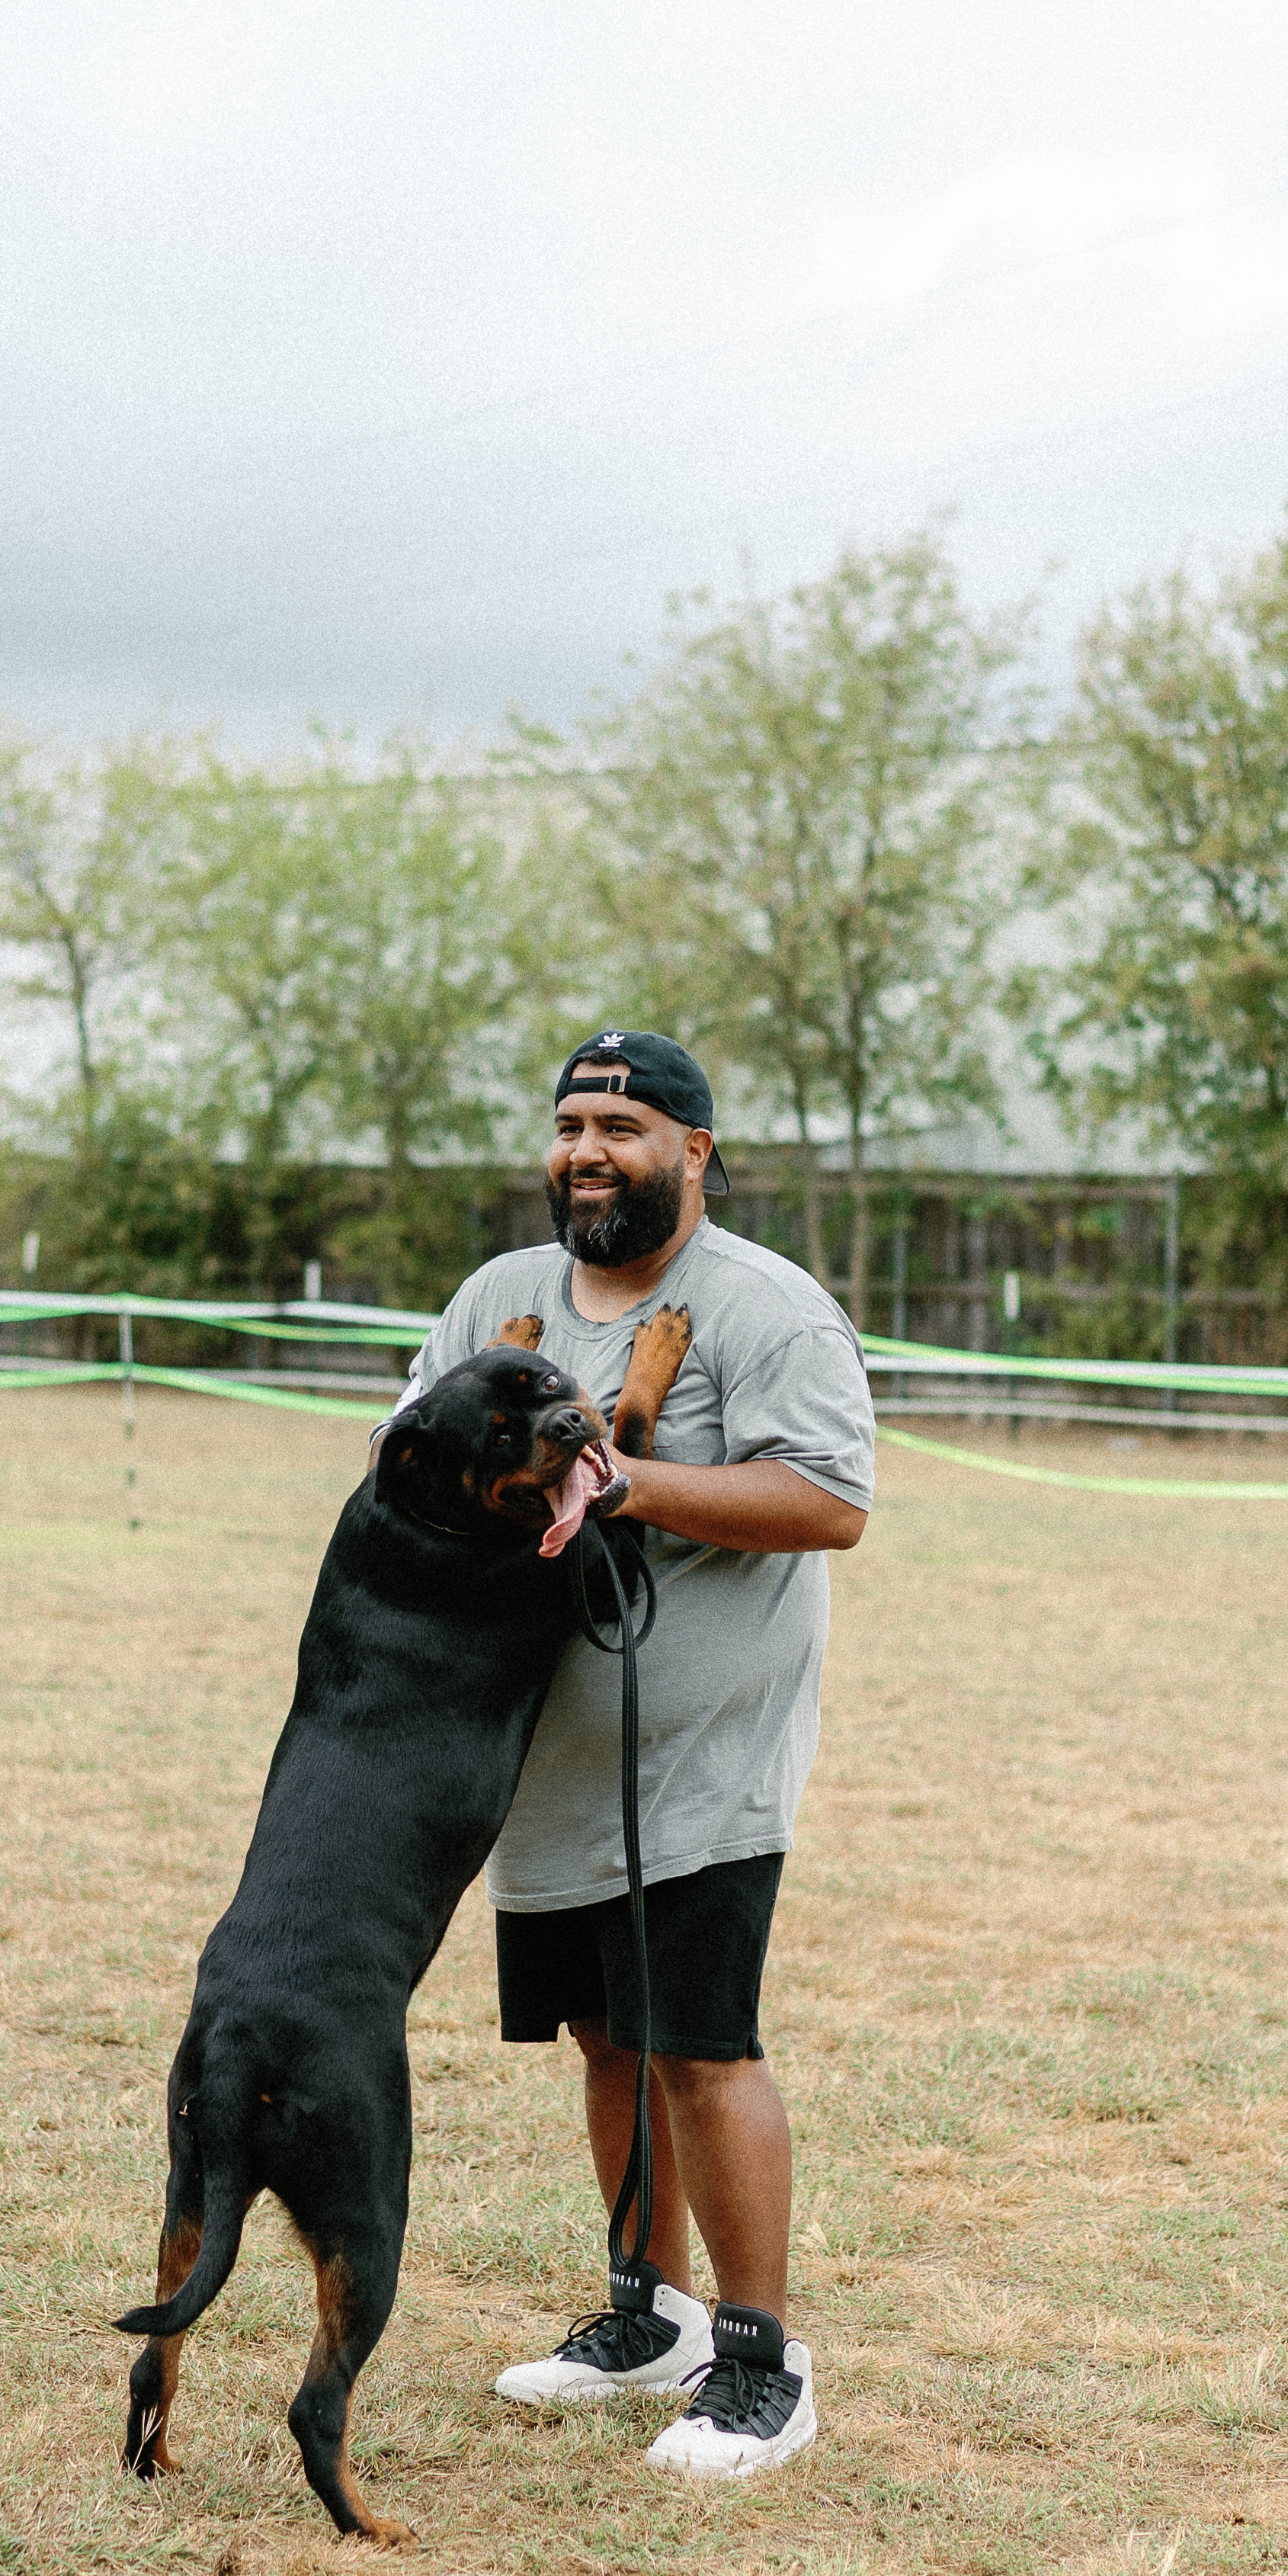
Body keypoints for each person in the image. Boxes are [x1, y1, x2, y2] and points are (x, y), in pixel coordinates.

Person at [404, 1030, 875, 2478]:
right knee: (606, 2040)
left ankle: (761, 2364)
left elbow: (829, 1500)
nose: (587, 1152)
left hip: (699, 1765)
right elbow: (407, 1453)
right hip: (542, 1759)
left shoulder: (763, 1307)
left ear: (694, 1152)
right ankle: (648, 2314)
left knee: (699, 2048)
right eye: (570, 1127)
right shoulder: (499, 1300)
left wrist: (628, 1486)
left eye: (621, 1127)